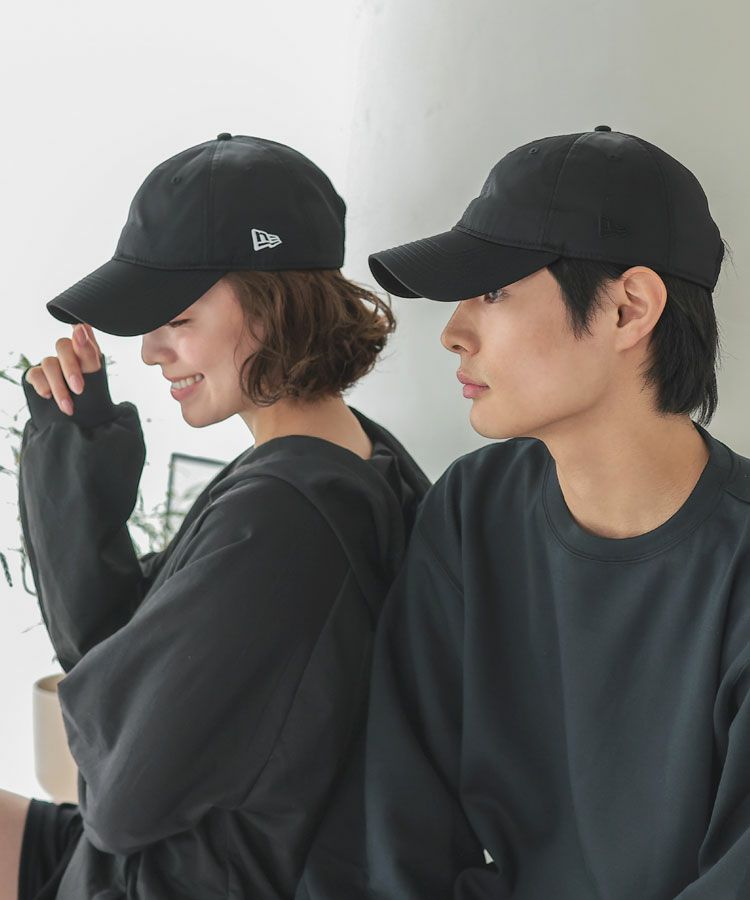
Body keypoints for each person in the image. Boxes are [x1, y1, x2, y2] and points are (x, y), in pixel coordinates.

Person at [297, 125, 750, 900]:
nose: (453, 333)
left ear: (629, 309)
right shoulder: (472, 509)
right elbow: (396, 816)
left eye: (494, 291)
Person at [1, 132, 430, 900]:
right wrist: (73, 449)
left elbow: (119, 792)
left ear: (273, 303)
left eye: (177, 316)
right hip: (181, 857)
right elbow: (120, 649)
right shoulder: (359, 459)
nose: (151, 350)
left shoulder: (285, 518)